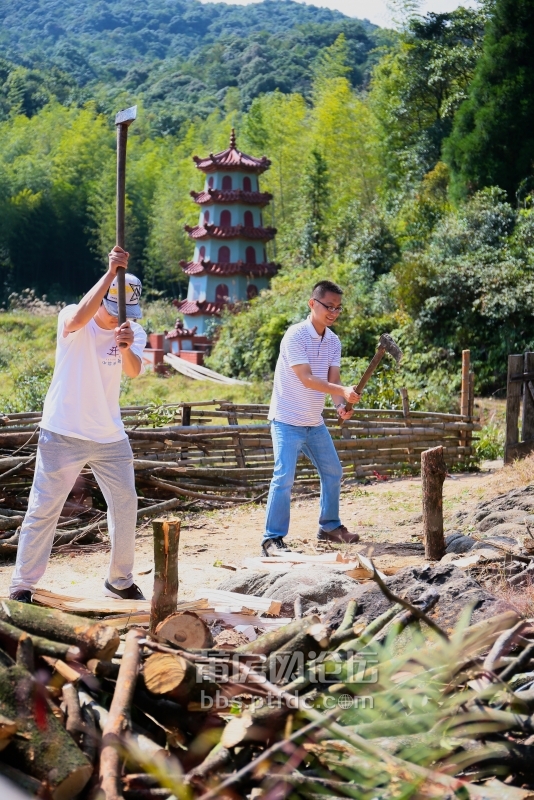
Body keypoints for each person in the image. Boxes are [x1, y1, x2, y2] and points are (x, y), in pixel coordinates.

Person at [9, 247, 147, 603]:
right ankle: (23, 584)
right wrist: (110, 272)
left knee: (125, 504)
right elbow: (75, 321)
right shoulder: (74, 317)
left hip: (109, 435)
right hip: (63, 431)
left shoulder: (133, 331)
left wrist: (128, 347)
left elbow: (133, 371)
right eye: (113, 308)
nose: (119, 318)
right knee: (44, 508)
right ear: (101, 299)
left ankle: (119, 580)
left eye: (125, 313)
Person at [262, 280, 361, 556]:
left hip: (314, 421)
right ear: (312, 304)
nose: (333, 312)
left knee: (333, 471)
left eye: (338, 308)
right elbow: (306, 379)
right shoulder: (295, 336)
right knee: (283, 478)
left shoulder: (333, 341)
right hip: (286, 419)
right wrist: (341, 390)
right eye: (328, 306)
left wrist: (341, 404)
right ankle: (272, 540)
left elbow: (333, 379)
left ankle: (329, 528)